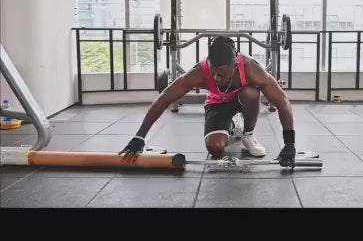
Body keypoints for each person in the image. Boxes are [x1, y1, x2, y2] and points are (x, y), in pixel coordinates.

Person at [118, 36, 296, 167]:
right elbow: (165, 98)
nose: (216, 78)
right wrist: (140, 136)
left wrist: (289, 144)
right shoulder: (199, 72)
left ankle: (247, 134)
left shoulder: (251, 68)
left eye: (222, 74)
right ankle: (232, 124)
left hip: (242, 99)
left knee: (251, 93)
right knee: (216, 148)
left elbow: (282, 101)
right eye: (214, 73)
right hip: (217, 103)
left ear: (235, 66)